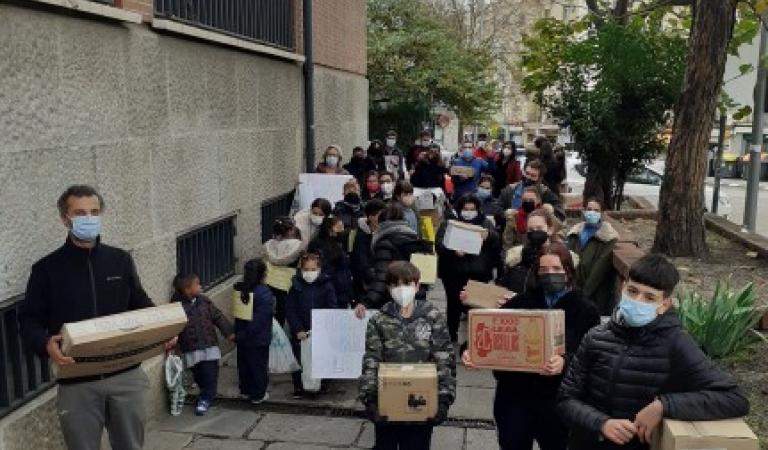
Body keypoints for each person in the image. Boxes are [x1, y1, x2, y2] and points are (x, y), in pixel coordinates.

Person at [18, 185, 169, 450]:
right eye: (80, 213)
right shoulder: (46, 269)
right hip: (77, 383)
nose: (89, 218)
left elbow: (140, 303)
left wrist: (163, 329)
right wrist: (45, 344)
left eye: (94, 212)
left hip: (126, 377)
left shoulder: (120, 260)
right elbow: (28, 321)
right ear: (65, 219)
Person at [557, 254, 750, 450]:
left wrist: (664, 405)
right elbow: (565, 399)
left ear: (664, 305)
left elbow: (734, 398)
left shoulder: (676, 344)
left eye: (649, 297)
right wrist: (601, 423)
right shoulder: (595, 337)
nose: (637, 300)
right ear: (622, 288)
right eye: (632, 291)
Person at [461, 242, 600, 450]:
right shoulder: (520, 302)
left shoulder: (585, 310)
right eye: (543, 269)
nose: (549, 274)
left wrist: (564, 362)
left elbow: (591, 356)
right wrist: (469, 351)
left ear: (568, 271)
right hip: (514, 396)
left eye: (555, 269)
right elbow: (487, 333)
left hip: (556, 399)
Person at [359, 261, 456, 450]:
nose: (401, 289)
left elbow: (444, 358)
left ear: (417, 285)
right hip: (388, 399)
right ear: (388, 287)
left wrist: (444, 399)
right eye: (395, 284)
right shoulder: (379, 320)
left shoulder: (432, 316)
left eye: (407, 284)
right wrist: (370, 398)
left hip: (421, 400)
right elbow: (372, 360)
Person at [436, 194, 500, 342]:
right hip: (453, 273)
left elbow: (497, 241)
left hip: (478, 273)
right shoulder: (449, 224)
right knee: (453, 305)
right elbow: (439, 244)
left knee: (476, 307)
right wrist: (452, 250)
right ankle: (451, 335)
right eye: (466, 209)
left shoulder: (485, 223)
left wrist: (488, 236)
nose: (469, 212)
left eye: (472, 209)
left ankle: (476, 338)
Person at [172, 273, 235, 415]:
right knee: (199, 374)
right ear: (187, 289)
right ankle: (205, 391)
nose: (201, 287)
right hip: (191, 347)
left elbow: (218, 316)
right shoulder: (177, 307)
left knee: (210, 373)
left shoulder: (204, 301)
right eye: (197, 284)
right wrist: (173, 342)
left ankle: (206, 398)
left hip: (209, 344)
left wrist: (229, 332)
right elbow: (173, 326)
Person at [356, 204, 433, 315]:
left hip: (392, 302)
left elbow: (382, 277)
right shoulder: (414, 240)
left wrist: (367, 302)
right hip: (415, 301)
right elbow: (426, 279)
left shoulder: (385, 243)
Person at [285, 253, 338, 398]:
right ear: (301, 270)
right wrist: (298, 329)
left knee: (322, 358)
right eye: (306, 269)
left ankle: (321, 386)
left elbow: (332, 307)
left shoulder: (327, 286)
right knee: (298, 360)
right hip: (301, 332)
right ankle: (299, 387)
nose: (309, 273)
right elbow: (290, 310)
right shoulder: (295, 286)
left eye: (313, 269)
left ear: (319, 269)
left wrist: (323, 327)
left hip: (321, 331)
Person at [566, 198, 619, 315]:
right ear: (584, 211)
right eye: (589, 209)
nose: (592, 213)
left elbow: (600, 268)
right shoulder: (575, 232)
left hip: (595, 292)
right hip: (573, 286)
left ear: (601, 213)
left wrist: (585, 293)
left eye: (596, 210)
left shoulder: (608, 237)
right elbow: (568, 257)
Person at [501, 210, 573, 295]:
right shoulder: (516, 257)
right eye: (531, 229)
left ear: (550, 229)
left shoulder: (562, 256)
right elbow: (506, 284)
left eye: (539, 228)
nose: (535, 232)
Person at [233, 259, 274, 405]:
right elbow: (259, 321)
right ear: (263, 274)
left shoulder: (240, 289)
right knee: (258, 367)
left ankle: (245, 391)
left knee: (244, 365)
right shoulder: (264, 293)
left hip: (242, 336)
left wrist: (239, 335)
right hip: (258, 338)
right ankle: (257, 395)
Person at [264, 216, 303, 326]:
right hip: (286, 283)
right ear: (290, 230)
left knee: (271, 310)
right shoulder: (297, 245)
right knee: (284, 310)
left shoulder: (268, 245)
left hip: (269, 280)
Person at [308, 216, 354, 309]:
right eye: (339, 228)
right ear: (329, 229)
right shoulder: (319, 245)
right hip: (331, 289)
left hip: (341, 290)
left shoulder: (340, 244)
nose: (342, 230)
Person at [498, 159, 565, 221]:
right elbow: (496, 208)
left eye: (533, 175)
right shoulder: (510, 189)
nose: (528, 177)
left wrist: (547, 213)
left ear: (539, 179)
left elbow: (560, 213)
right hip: (512, 228)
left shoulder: (545, 193)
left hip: (536, 229)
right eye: (527, 173)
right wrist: (504, 214)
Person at [502, 186, 562, 251]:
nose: (528, 202)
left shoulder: (546, 214)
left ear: (538, 200)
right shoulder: (514, 217)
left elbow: (560, 229)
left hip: (546, 249)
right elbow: (507, 243)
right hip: (521, 251)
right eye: (525, 200)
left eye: (531, 200)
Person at [351, 199, 387, 301]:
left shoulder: (385, 232)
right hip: (366, 285)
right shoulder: (360, 235)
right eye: (380, 215)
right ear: (370, 217)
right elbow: (360, 262)